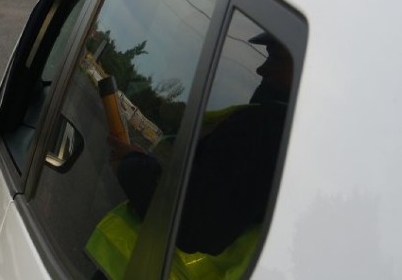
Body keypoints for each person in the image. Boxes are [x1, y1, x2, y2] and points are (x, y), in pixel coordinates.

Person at [87, 32, 294, 278]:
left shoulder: (262, 132)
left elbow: (194, 221)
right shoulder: (291, 146)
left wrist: (130, 166)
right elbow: (211, 190)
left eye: (277, 59)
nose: (261, 69)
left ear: (309, 73)